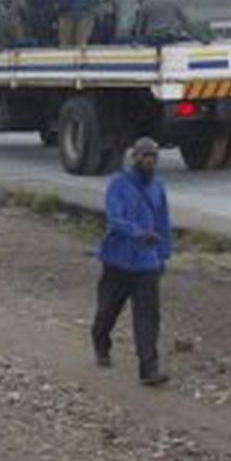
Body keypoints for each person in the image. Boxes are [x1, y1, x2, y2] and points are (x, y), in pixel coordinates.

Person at [92, 137, 173, 387]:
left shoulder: (158, 187)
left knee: (148, 317)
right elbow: (115, 218)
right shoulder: (118, 185)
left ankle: (149, 369)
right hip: (118, 261)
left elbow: (163, 223)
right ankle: (101, 343)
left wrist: (163, 255)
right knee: (107, 311)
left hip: (147, 264)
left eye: (153, 157)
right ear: (134, 158)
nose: (149, 160)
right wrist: (138, 233)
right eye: (144, 156)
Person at [133, 0, 202, 44]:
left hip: (153, 38)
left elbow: (140, 25)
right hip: (171, 37)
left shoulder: (146, 4)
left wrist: (136, 40)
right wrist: (197, 36)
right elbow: (185, 21)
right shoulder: (173, 2)